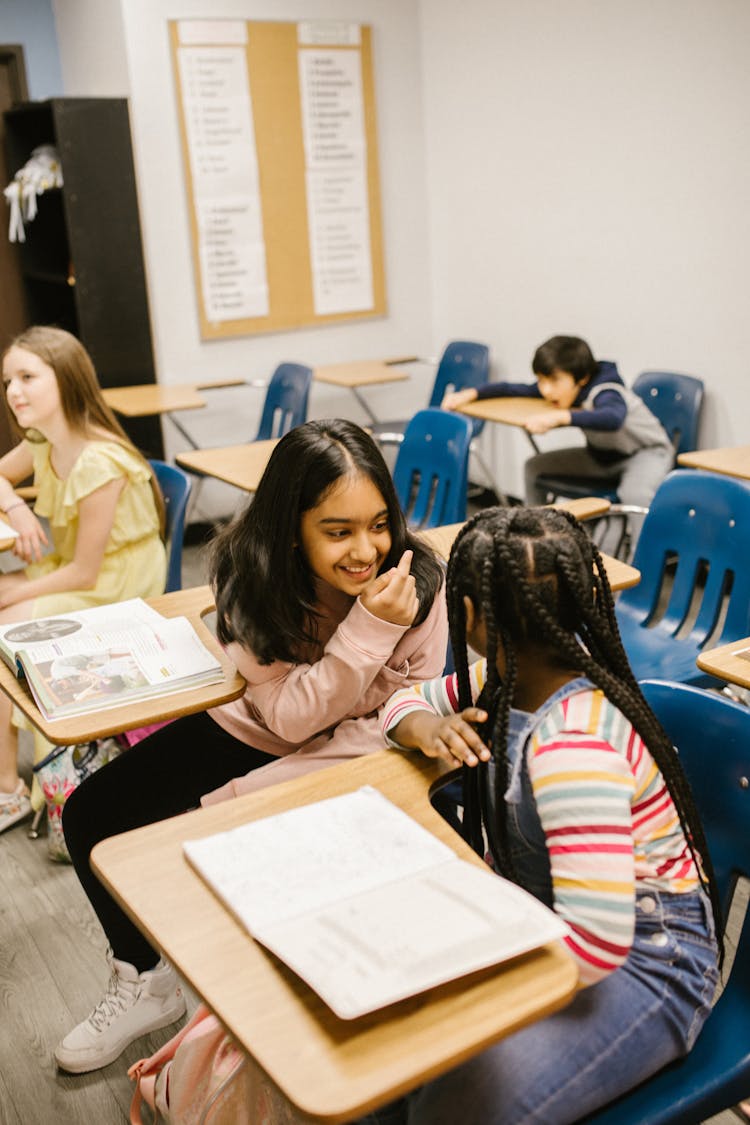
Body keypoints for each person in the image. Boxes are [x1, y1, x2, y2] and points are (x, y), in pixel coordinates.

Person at [56, 418, 448, 1075]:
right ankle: (146, 981)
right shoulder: (248, 577)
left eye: (378, 523)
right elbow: (289, 718)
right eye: (338, 530)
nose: (366, 550)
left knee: (245, 850)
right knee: (92, 812)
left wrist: (259, 788)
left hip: (369, 746)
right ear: (289, 524)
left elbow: (407, 706)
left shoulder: (418, 577)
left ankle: (276, 1006)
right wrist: (370, 630)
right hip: (263, 727)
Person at [374, 505, 721, 1125]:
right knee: (394, 1059)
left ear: (473, 617)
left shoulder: (572, 749)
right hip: (557, 926)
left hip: (645, 968)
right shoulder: (501, 678)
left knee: (447, 1110)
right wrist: (429, 728)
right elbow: (397, 704)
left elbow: (595, 946)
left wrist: (466, 982)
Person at [0, 326, 166, 833]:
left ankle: (8, 789)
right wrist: (20, 512)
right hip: (78, 570)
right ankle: (7, 783)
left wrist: (16, 591)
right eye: (8, 380)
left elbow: (88, 572)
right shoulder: (43, 441)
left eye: (28, 377)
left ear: (66, 380)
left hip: (120, 580)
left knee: (6, 626)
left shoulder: (99, 460)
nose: (13, 392)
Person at [443, 335, 674, 555]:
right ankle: (534, 541)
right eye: (542, 380)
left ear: (581, 379)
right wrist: (471, 394)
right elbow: (513, 388)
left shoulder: (608, 391)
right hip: (602, 457)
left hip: (646, 454)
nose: (545, 389)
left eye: (553, 381)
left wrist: (561, 417)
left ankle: (642, 560)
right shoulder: (561, 388)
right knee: (534, 468)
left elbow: (613, 418)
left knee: (634, 493)